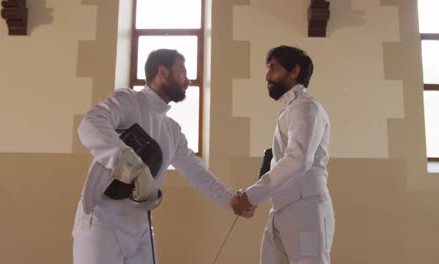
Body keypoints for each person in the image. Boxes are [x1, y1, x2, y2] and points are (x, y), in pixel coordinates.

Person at [72, 49, 252, 264]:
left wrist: (229, 198)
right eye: (182, 72)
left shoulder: (172, 130)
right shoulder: (128, 100)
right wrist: (132, 167)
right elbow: (90, 124)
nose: (188, 80)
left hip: (140, 225)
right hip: (102, 219)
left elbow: (196, 172)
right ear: (163, 72)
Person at [231, 45, 335, 264]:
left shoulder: (306, 107)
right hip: (280, 210)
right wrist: (257, 197)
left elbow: (298, 160)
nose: (268, 76)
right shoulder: (292, 109)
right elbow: (280, 159)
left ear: (294, 72)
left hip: (306, 212)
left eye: (274, 68)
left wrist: (251, 196)